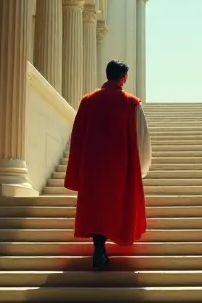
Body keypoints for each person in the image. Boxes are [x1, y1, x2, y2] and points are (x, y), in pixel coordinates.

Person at [65, 60, 152, 270]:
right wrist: (141, 166)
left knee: (97, 207)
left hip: (92, 165)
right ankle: (106, 246)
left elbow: (76, 137)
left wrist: (77, 168)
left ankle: (99, 247)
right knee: (116, 206)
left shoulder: (88, 101)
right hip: (120, 165)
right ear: (123, 78)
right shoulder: (131, 103)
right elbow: (142, 137)